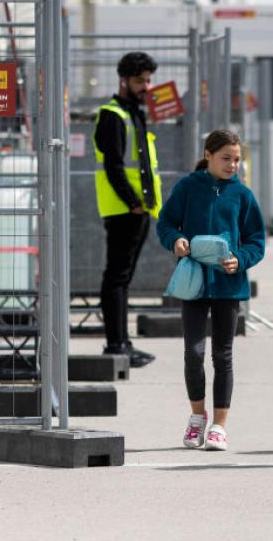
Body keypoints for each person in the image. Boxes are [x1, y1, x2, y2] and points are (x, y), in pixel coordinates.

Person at [156, 130, 267, 451]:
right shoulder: (189, 187)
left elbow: (256, 241)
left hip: (229, 287)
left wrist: (240, 260)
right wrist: (174, 242)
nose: (233, 165)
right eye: (226, 158)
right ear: (208, 155)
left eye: (237, 159)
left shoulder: (243, 195)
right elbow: (165, 223)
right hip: (193, 283)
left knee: (223, 355)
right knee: (193, 353)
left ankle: (219, 425)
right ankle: (196, 418)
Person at [92, 51, 161, 368]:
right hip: (123, 210)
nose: (146, 86)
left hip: (136, 208)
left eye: (148, 80)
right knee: (116, 278)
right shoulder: (113, 115)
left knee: (123, 279)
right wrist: (134, 203)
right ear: (124, 80)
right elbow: (114, 167)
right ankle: (116, 344)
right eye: (139, 81)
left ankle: (123, 343)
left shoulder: (133, 112)